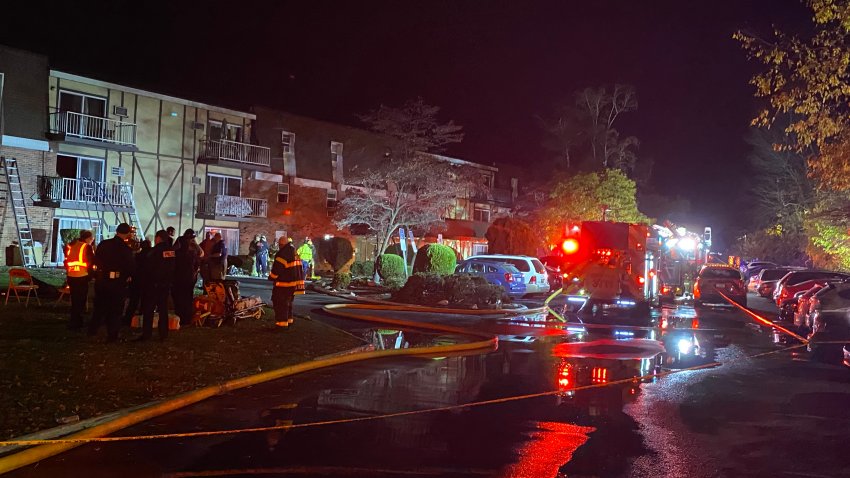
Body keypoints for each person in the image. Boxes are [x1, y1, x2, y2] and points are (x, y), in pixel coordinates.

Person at [89, 223, 136, 342]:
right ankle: (112, 335)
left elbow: (95, 260)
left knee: (99, 306)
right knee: (115, 310)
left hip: (102, 280)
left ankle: (93, 330)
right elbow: (130, 267)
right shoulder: (125, 249)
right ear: (127, 234)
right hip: (117, 282)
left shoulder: (104, 244)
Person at [139, 230, 176, 341]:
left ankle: (147, 334)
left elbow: (147, 267)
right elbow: (173, 267)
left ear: (158, 238)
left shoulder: (154, 251)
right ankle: (163, 334)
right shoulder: (171, 251)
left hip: (153, 284)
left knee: (149, 309)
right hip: (165, 284)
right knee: (163, 309)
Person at [269, 236, 305, 327]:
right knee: (288, 303)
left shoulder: (283, 253)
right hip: (294, 284)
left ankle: (281, 324)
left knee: (280, 303)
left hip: (283, 284)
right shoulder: (294, 252)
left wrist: (271, 277)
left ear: (281, 244)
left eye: (279, 245)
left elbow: (277, 269)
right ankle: (289, 320)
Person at [64, 230, 95, 331]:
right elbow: (91, 262)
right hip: (82, 276)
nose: (92, 241)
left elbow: (66, 259)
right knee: (80, 301)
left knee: (74, 300)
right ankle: (77, 323)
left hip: (71, 275)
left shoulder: (71, 245)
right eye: (92, 239)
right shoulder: (86, 247)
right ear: (88, 238)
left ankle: (74, 320)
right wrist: (92, 275)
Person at [172, 229, 202, 325]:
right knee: (187, 298)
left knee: (179, 298)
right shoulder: (192, 252)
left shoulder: (178, 250)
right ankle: (186, 318)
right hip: (188, 278)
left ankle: (181, 317)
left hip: (179, 278)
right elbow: (201, 255)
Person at [123, 239, 152, 325]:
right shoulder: (151, 256)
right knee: (145, 301)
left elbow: (132, 268)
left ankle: (128, 319)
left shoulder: (137, 256)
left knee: (133, 301)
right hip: (147, 281)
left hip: (136, 281)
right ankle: (142, 319)